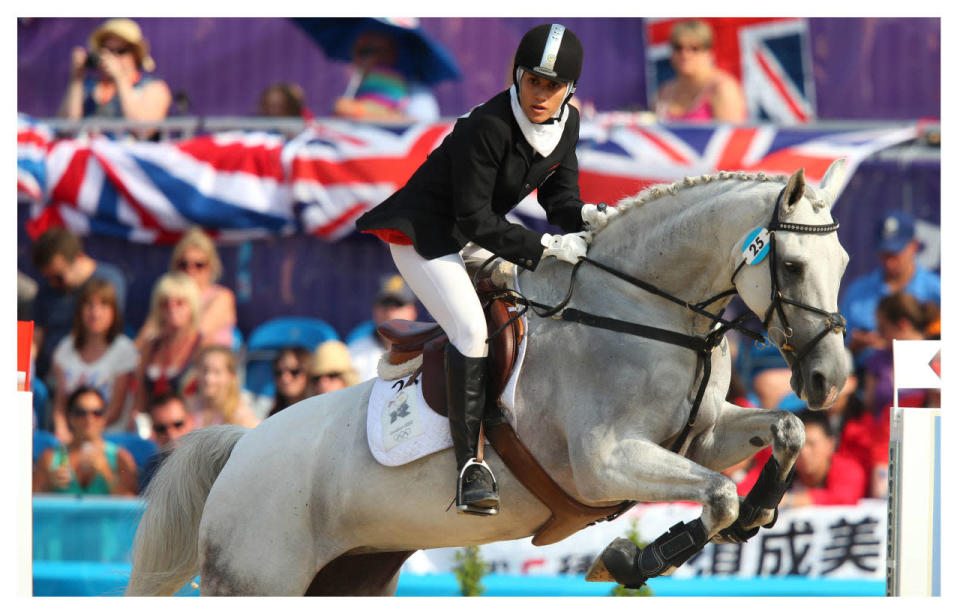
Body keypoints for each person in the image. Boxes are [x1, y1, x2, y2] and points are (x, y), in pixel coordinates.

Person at [355, 24, 616, 515]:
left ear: (570, 91)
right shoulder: (489, 126)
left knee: (544, 299)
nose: (540, 94)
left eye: (552, 86)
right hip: (426, 235)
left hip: (472, 236)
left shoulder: (568, 124)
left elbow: (559, 201)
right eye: (532, 80)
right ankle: (469, 467)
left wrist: (588, 218)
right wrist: (544, 246)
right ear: (516, 75)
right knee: (472, 332)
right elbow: (475, 217)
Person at [839, 210, 940, 367]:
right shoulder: (857, 292)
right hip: (864, 383)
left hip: (923, 385)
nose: (889, 262)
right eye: (884, 254)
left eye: (895, 253)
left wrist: (890, 344)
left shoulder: (937, 290)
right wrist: (854, 346)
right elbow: (837, 349)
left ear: (914, 246)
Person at [31, 227, 127, 383]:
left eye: (58, 277)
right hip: (45, 377)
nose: (53, 284)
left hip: (90, 377)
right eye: (48, 278)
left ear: (79, 258)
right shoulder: (46, 290)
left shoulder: (109, 280)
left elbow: (106, 333)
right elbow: (36, 338)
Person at [50, 278, 138, 443]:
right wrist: (62, 430)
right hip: (72, 439)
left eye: (103, 305)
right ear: (80, 310)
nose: (95, 313)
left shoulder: (124, 350)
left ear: (114, 312)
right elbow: (60, 405)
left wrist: (88, 435)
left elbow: (116, 409)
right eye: (89, 305)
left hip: (111, 438)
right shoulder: (66, 348)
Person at [135, 227, 237, 350]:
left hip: (204, 366)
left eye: (199, 265)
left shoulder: (222, 296)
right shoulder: (168, 298)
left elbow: (196, 337)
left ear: (211, 266)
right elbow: (143, 341)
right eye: (183, 264)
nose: (190, 271)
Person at [58, 18, 171, 122]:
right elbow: (66, 127)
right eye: (107, 50)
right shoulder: (87, 87)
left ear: (135, 55)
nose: (112, 57)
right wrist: (77, 79)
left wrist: (120, 78)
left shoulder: (154, 87)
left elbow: (143, 130)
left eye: (120, 51)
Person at [33, 386, 139, 496]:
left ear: (104, 418)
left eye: (97, 413)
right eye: (81, 413)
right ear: (70, 417)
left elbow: (133, 505)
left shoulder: (120, 458)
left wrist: (107, 474)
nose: (89, 419)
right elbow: (28, 504)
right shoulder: (50, 457)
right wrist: (48, 484)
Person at [131, 272, 204, 428]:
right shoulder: (151, 346)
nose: (172, 309)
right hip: (155, 429)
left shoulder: (203, 346)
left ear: (192, 305)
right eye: (165, 303)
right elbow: (140, 397)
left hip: (190, 428)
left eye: (180, 303)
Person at [332, 30, 440, 123]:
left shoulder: (413, 90)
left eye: (367, 51)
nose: (362, 58)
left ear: (391, 54)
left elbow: (420, 125)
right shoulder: (356, 84)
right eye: (358, 51)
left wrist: (353, 109)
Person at [653, 20, 747, 123]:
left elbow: (731, 136)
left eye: (694, 48)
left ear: (709, 53)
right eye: (678, 47)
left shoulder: (722, 89)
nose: (685, 55)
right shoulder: (664, 92)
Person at [347, 275, 419, 381]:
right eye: (386, 304)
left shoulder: (428, 350)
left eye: (398, 305)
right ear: (375, 310)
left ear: (412, 311)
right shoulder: (355, 352)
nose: (390, 312)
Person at [187, 346, 260, 429]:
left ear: (231, 376)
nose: (208, 378)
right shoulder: (187, 406)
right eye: (204, 370)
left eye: (217, 372)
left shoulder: (240, 416)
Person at [140, 392, 195, 489]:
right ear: (154, 431)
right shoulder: (151, 470)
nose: (171, 434)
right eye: (161, 428)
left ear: (191, 422)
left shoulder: (210, 462)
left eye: (178, 424)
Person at [266, 346, 314, 417]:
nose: (285, 378)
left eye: (294, 372)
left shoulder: (321, 411)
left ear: (308, 373)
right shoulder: (273, 415)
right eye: (278, 372)